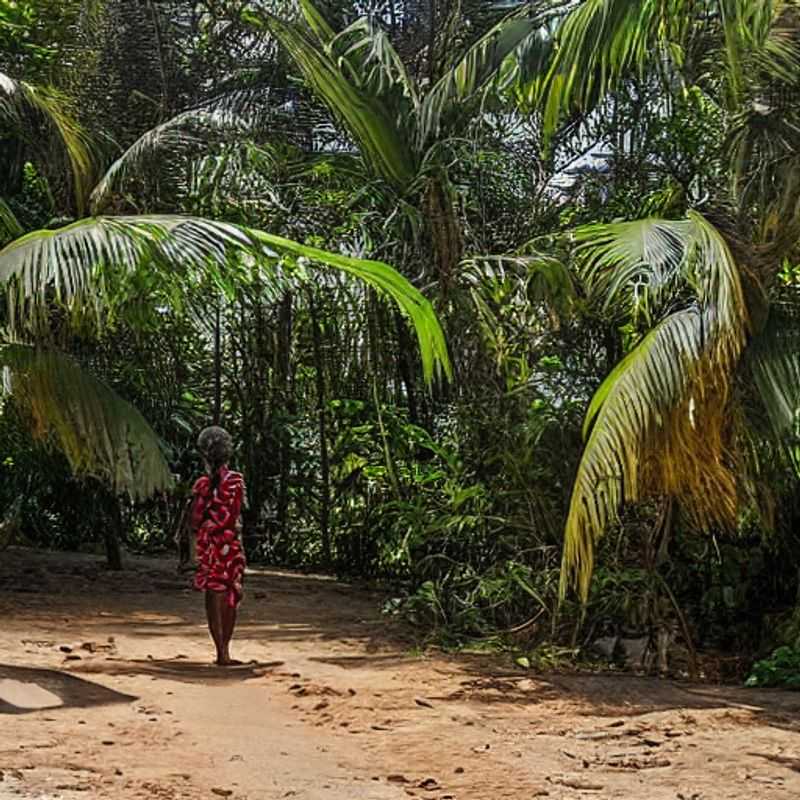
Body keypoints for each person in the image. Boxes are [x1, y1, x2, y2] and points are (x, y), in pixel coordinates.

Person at [191, 426, 246, 666]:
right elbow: (234, 515)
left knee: (214, 593)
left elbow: (195, 518)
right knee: (231, 592)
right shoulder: (235, 480)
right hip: (229, 542)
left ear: (204, 454)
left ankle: (220, 651)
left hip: (208, 543)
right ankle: (226, 650)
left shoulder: (201, 484)